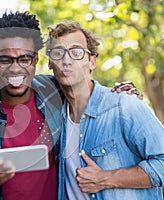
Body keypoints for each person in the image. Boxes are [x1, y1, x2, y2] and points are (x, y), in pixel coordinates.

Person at [0, 11, 141, 200]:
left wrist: (118, 94)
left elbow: (85, 86)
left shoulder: (54, 92)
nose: (15, 68)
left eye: (24, 59)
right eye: (5, 60)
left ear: (36, 59)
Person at [45, 20, 164, 199]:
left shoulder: (123, 105)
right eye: (58, 53)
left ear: (92, 61)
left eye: (76, 52)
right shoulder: (54, 117)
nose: (66, 60)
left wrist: (106, 179)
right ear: (50, 63)